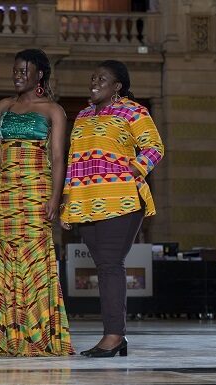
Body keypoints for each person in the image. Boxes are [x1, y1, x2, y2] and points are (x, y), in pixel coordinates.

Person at [60, 60, 164, 358]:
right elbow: (74, 161)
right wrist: (69, 202)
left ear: (117, 86)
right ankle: (116, 335)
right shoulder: (82, 115)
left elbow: (155, 147)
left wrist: (133, 170)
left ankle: (114, 335)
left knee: (109, 265)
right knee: (105, 267)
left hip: (122, 199)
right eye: (92, 77)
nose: (94, 82)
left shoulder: (133, 111)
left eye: (102, 79)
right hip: (86, 200)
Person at [0, 49, 74, 356]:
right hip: (7, 193)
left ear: (39, 75)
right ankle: (7, 334)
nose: (18, 74)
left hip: (37, 191)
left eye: (24, 70)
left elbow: (59, 158)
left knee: (35, 260)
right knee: (7, 258)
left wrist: (56, 197)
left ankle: (37, 335)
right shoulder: (3, 107)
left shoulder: (54, 111)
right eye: (15, 70)